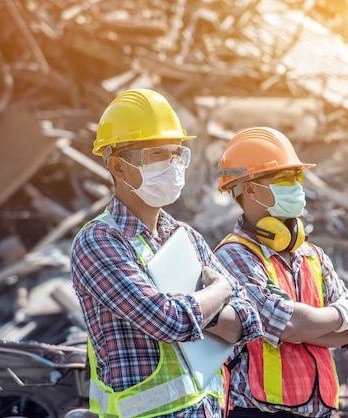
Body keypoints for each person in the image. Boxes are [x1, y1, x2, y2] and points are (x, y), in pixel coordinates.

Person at [70, 88, 262, 418]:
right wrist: (220, 290)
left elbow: (249, 321)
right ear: (117, 166)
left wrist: (201, 309)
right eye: (157, 155)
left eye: (177, 153)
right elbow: (167, 320)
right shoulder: (99, 242)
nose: (172, 165)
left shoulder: (184, 236)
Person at [214, 127, 348, 417]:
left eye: (297, 176)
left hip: (318, 409)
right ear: (249, 189)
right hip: (258, 411)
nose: (297, 186)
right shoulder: (233, 255)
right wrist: (340, 316)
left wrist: (307, 325)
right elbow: (289, 325)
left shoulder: (312, 255)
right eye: (285, 178)